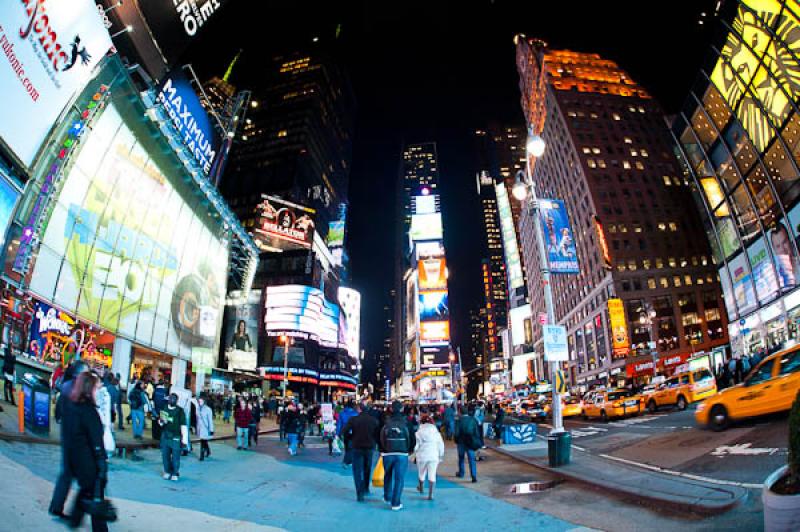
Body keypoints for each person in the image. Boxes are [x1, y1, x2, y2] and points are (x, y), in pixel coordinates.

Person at [61, 372, 111, 531]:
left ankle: (74, 520)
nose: (98, 391)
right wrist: (102, 465)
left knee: (87, 492)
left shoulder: (72, 406)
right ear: (90, 389)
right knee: (95, 496)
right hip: (89, 462)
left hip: (77, 460)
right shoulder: (89, 412)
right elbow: (97, 442)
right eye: (96, 387)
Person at [50, 360, 89, 518]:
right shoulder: (76, 389)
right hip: (75, 438)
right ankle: (70, 510)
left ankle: (57, 506)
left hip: (67, 434)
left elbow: (59, 410)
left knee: (67, 473)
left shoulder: (66, 386)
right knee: (78, 476)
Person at [380, 400, 415, 511]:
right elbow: (412, 438)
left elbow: (380, 436)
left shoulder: (385, 421)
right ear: (402, 409)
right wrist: (409, 450)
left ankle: (387, 496)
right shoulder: (407, 422)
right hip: (402, 453)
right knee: (399, 478)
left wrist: (383, 449)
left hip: (387, 452)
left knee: (388, 475)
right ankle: (395, 503)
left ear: (391, 409)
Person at [343, 401, 380, 501]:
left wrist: (351, 437)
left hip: (357, 446)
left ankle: (359, 493)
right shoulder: (374, 420)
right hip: (369, 447)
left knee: (357, 470)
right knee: (367, 468)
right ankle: (366, 488)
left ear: (359, 409)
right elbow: (378, 434)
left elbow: (345, 431)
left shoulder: (354, 420)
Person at [415, 413, 445, 500]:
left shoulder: (418, 433)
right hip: (433, 456)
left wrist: (415, 452)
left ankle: (421, 488)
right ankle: (431, 494)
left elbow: (416, 446)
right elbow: (441, 445)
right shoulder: (436, 433)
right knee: (432, 474)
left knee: (421, 473)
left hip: (422, 456)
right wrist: (440, 455)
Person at [158, 393, 188, 480]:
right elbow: (161, 422)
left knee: (175, 457)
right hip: (165, 435)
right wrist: (161, 421)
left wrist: (184, 440)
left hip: (176, 437)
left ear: (176, 401)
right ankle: (167, 471)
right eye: (170, 399)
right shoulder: (165, 408)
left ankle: (175, 473)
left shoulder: (180, 411)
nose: (171, 400)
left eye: (174, 399)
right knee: (165, 455)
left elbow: (183, 426)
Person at [455, 405, 482, 483]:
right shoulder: (473, 420)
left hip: (461, 442)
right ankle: (473, 476)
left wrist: (456, 441)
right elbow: (476, 432)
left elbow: (456, 433)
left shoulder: (458, 420)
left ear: (460, 412)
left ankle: (461, 473)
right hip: (471, 442)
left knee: (461, 458)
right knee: (471, 459)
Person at [337, 401, 358, 466]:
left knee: (347, 446)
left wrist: (338, 433)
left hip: (344, 431)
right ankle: (347, 461)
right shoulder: (355, 413)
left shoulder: (342, 413)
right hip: (353, 431)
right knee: (351, 447)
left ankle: (348, 460)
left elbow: (339, 424)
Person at [196, 395, 214, 461]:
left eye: (201, 401)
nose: (199, 402)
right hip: (199, 428)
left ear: (204, 401)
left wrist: (211, 430)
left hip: (205, 428)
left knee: (202, 441)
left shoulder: (208, 409)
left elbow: (210, 420)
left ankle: (202, 456)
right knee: (204, 441)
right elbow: (197, 419)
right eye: (199, 401)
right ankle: (208, 451)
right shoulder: (197, 408)